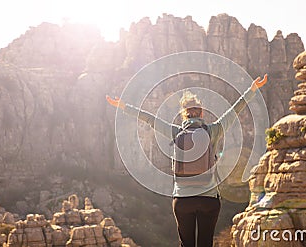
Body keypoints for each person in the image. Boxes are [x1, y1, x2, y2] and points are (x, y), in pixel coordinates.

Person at [106, 74, 268, 247]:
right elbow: (234, 111)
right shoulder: (213, 130)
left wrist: (122, 105)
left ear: (184, 115)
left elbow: (149, 119)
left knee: (186, 244)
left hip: (183, 200)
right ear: (202, 113)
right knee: (205, 243)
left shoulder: (175, 133)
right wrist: (252, 90)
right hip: (209, 199)